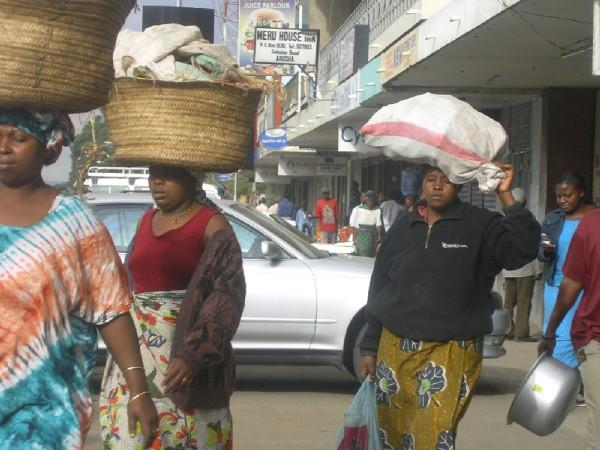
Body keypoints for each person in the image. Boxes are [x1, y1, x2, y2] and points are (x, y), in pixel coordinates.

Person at [0, 109, 158, 448]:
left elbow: (111, 310)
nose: (4, 147)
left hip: (45, 414)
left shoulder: (75, 224)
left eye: (18, 137)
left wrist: (138, 389)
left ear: (48, 148)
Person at [360, 164, 540, 449]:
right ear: (421, 185)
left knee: (434, 435)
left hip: (452, 350)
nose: (438, 186)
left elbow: (523, 250)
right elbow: (380, 286)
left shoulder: (481, 225)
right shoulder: (403, 227)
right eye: (431, 179)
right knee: (392, 436)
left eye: (447, 181)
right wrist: (370, 346)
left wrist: (506, 195)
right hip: (394, 348)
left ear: (460, 186)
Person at [100, 166, 245, 449]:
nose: (157, 181)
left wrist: (193, 355)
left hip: (182, 359)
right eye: (153, 173)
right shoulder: (146, 220)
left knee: (185, 433)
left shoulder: (212, 224)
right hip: (137, 352)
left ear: (193, 178)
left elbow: (226, 295)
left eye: (168, 174)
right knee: (131, 436)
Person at [539, 208, 600, 450]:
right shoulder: (592, 225)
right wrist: (551, 331)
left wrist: (549, 333)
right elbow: (571, 282)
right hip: (595, 337)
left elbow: (572, 283)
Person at [538, 172, 595, 368]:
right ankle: (561, 382)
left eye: (567, 195)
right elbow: (540, 247)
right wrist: (545, 250)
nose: (562, 200)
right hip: (555, 286)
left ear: (581, 193)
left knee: (571, 337)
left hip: (583, 289)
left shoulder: (594, 220)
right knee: (552, 334)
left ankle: (573, 384)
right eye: (558, 196)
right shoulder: (553, 219)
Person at [503, 187, 540, 342]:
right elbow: (536, 241)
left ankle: (507, 330)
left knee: (508, 303)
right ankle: (521, 333)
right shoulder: (528, 219)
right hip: (525, 268)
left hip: (508, 268)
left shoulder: (503, 219)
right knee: (524, 302)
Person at [349, 190, 383, 257]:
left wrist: (379, 237)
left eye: (372, 198)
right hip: (361, 237)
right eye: (368, 197)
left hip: (372, 236)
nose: (370, 200)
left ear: (375, 199)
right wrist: (354, 240)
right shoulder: (359, 209)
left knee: (368, 256)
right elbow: (356, 226)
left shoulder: (378, 209)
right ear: (366, 199)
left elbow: (379, 225)